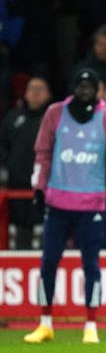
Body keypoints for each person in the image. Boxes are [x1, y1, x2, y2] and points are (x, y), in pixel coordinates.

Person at [24, 68, 106, 344]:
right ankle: (45, 322)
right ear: (73, 87)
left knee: (91, 265)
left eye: (89, 85)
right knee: (48, 263)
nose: (85, 89)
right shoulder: (54, 114)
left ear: (97, 89)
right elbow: (42, 153)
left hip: (91, 203)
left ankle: (91, 324)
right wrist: (38, 188)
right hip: (58, 201)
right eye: (80, 84)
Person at [0, 76, 52, 249]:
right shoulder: (13, 117)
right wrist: (10, 164)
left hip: (46, 186)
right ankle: (17, 259)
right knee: (17, 226)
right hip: (17, 184)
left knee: (43, 226)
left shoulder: (54, 119)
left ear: (48, 94)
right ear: (25, 93)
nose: (35, 93)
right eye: (32, 88)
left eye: (40, 89)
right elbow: (2, 145)